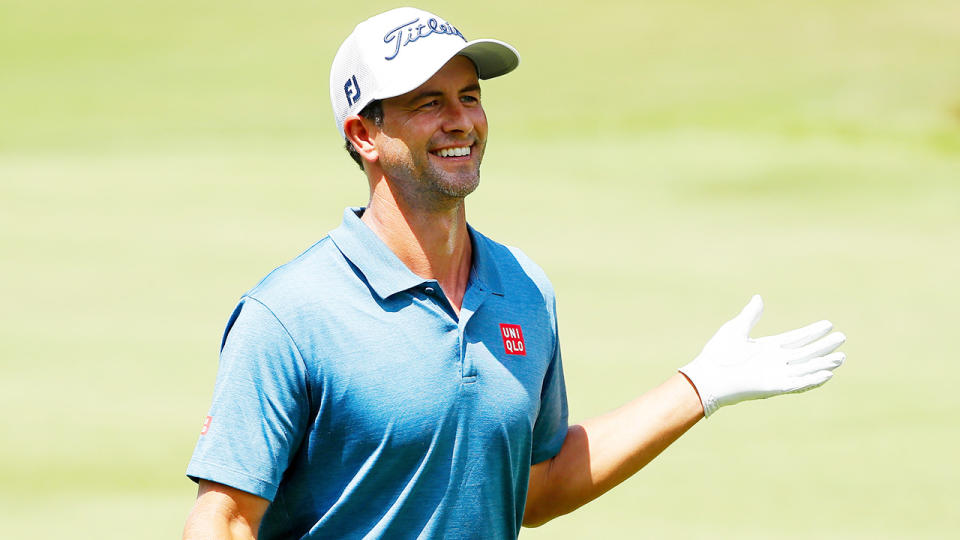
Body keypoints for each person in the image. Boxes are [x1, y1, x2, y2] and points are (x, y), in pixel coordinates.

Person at [182, 7, 847, 539]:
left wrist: (698, 386)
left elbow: (535, 484)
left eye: (469, 96)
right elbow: (227, 519)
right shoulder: (291, 314)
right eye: (428, 103)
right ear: (364, 134)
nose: (461, 121)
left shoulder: (522, 287)